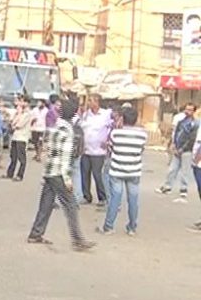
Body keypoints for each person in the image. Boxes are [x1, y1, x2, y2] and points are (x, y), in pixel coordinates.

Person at [27, 99, 96, 251]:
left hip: (50, 171)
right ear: (75, 113)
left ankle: (36, 233)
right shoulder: (68, 130)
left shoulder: (54, 127)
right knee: (71, 205)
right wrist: (67, 179)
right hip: (59, 173)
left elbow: (48, 151)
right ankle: (77, 239)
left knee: (46, 204)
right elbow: (65, 158)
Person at [98, 107, 147, 236]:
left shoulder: (115, 133)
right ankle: (132, 227)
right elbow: (141, 150)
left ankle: (108, 226)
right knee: (133, 200)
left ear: (122, 118)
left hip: (117, 170)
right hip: (134, 171)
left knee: (115, 198)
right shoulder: (143, 134)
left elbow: (112, 149)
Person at [156, 103, 198, 202]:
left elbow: (192, 138)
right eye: (187, 109)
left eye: (190, 110)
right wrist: (174, 145)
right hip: (177, 149)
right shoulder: (181, 122)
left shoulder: (195, 124)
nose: (187, 112)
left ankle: (183, 189)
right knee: (172, 169)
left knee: (185, 171)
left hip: (187, 150)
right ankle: (167, 186)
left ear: (194, 111)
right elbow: (176, 134)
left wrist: (182, 149)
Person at [80, 94, 113, 206]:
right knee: (85, 173)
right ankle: (86, 196)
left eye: (91, 100)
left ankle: (102, 197)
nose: (88, 103)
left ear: (97, 102)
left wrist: (108, 140)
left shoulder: (105, 114)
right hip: (85, 149)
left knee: (97, 174)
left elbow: (112, 127)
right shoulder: (85, 115)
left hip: (98, 151)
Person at [3, 96, 32, 181]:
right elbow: (11, 121)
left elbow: (19, 125)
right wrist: (17, 114)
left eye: (21, 101)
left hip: (22, 137)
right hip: (15, 137)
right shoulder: (18, 112)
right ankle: (10, 173)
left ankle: (20, 175)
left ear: (26, 103)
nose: (19, 103)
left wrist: (13, 124)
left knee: (21, 158)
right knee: (13, 156)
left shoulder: (27, 114)